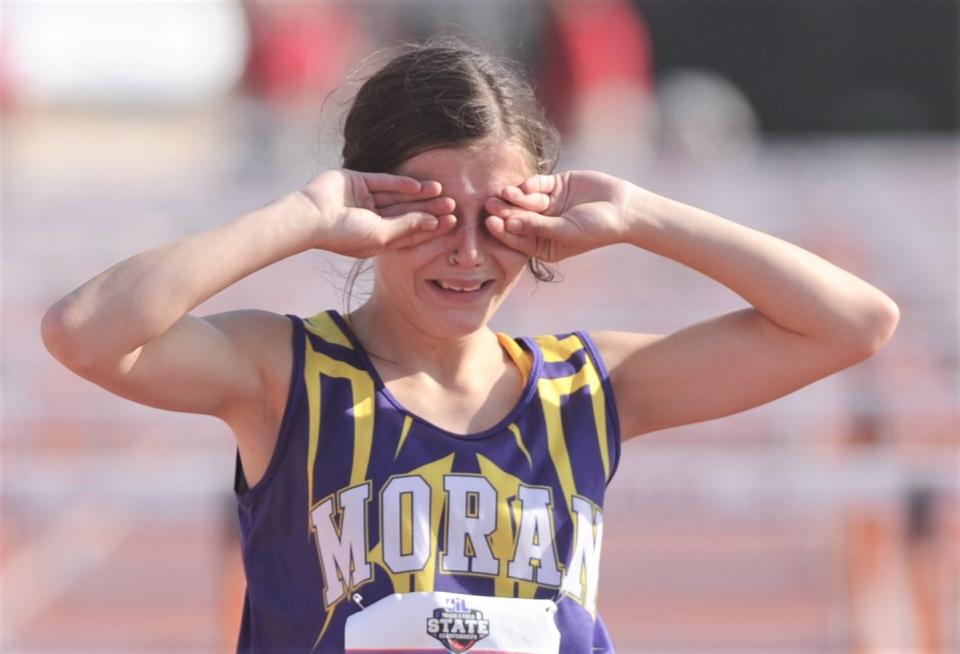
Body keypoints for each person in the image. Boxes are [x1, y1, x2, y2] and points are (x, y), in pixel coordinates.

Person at [40, 39, 900, 654]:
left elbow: (855, 323)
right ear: (371, 210)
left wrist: (645, 216)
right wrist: (297, 221)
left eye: (500, 220)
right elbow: (84, 332)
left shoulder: (585, 388)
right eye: (432, 217)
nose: (466, 254)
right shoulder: (285, 376)